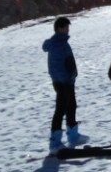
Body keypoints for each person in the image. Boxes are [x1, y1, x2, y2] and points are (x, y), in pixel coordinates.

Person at [42, 16, 81, 153]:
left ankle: (73, 136)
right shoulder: (57, 44)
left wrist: (72, 75)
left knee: (71, 107)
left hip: (68, 81)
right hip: (63, 82)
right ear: (59, 28)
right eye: (66, 27)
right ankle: (55, 143)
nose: (68, 29)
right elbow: (56, 66)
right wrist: (65, 78)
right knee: (60, 110)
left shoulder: (62, 42)